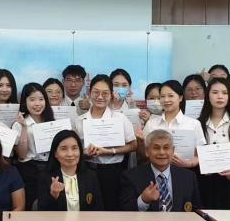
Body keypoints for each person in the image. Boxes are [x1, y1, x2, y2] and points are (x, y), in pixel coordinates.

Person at [74, 74, 137, 211]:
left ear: (111, 94)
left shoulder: (120, 118)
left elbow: (133, 145)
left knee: (111, 209)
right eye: (96, 92)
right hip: (87, 170)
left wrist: (110, 151)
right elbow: (74, 149)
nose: (100, 97)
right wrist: (84, 153)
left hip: (113, 172)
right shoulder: (79, 121)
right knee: (88, 208)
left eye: (105, 93)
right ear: (89, 93)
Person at [121, 129, 201, 212]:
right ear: (147, 151)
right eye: (156, 148)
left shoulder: (188, 177)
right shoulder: (131, 176)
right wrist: (143, 200)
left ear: (173, 151)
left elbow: (197, 210)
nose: (162, 152)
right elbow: (124, 210)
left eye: (166, 148)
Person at [197, 77, 230, 209]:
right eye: (215, 92)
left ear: (229, 97)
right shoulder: (198, 123)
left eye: (224, 93)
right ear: (208, 96)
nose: (220, 96)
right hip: (205, 180)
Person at [140, 80, 205, 169]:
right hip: (156, 171)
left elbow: (200, 155)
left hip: (185, 171)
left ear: (180, 98)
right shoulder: (151, 124)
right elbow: (144, 153)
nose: (166, 100)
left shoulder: (194, 124)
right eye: (162, 96)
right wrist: (140, 141)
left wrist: (187, 164)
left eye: (170, 96)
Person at [38, 130, 103, 211]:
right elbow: (42, 212)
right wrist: (53, 195)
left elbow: (98, 209)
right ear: (55, 154)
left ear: (80, 151)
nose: (70, 154)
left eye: (74, 148)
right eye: (64, 149)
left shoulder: (90, 176)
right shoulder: (45, 177)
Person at [14, 82, 55, 210]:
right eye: (32, 100)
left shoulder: (53, 122)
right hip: (29, 170)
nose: (37, 104)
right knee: (31, 206)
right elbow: (22, 155)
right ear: (25, 102)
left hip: (50, 168)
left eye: (41, 99)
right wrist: (24, 128)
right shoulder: (18, 124)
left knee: (50, 205)